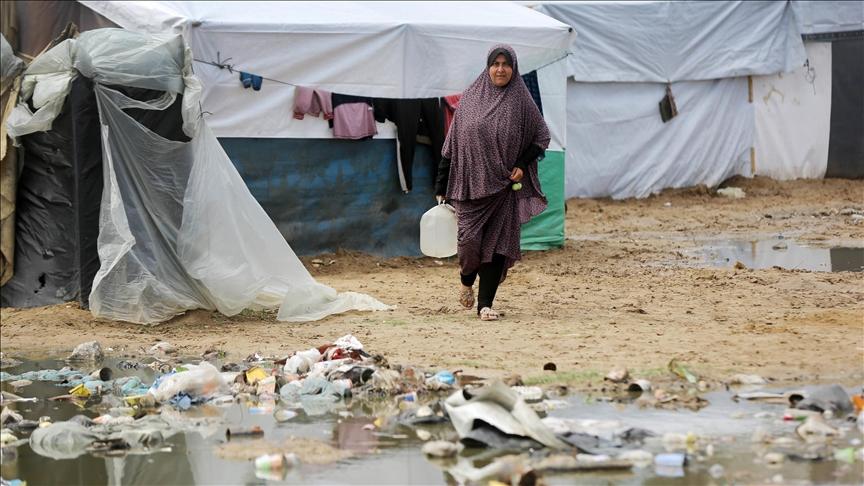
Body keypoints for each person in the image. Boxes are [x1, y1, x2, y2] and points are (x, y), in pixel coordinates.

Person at [434, 44, 549, 321]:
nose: (500, 69)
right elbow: (452, 146)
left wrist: (522, 164)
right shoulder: (471, 98)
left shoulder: (521, 100)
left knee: (497, 246)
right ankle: (465, 279)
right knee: (470, 244)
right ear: (488, 67)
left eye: (505, 64)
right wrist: (441, 186)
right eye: (495, 64)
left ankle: (485, 304)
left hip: (503, 188)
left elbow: (541, 137)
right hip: (469, 186)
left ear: (513, 68)